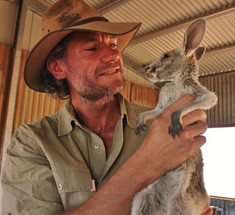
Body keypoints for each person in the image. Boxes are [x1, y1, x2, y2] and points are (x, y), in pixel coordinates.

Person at [1, 0, 212, 214]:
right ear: (58, 67)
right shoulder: (31, 144)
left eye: (112, 44)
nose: (114, 55)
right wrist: (146, 164)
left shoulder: (160, 123)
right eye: (92, 48)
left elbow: (194, 204)